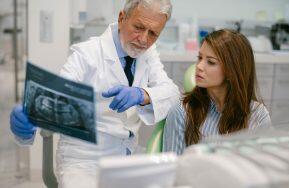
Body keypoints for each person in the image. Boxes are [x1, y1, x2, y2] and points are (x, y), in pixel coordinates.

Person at [10, 0, 179, 187]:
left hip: (126, 157)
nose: (144, 40)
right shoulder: (86, 54)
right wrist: (28, 121)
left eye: (153, 33)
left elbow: (172, 94)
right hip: (83, 161)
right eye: (139, 27)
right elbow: (56, 97)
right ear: (122, 18)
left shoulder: (148, 52)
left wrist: (142, 94)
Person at [163, 29, 272, 155]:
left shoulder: (258, 115)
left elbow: (261, 166)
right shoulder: (182, 113)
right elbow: (174, 169)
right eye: (200, 58)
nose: (199, 66)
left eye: (211, 62)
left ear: (232, 70)